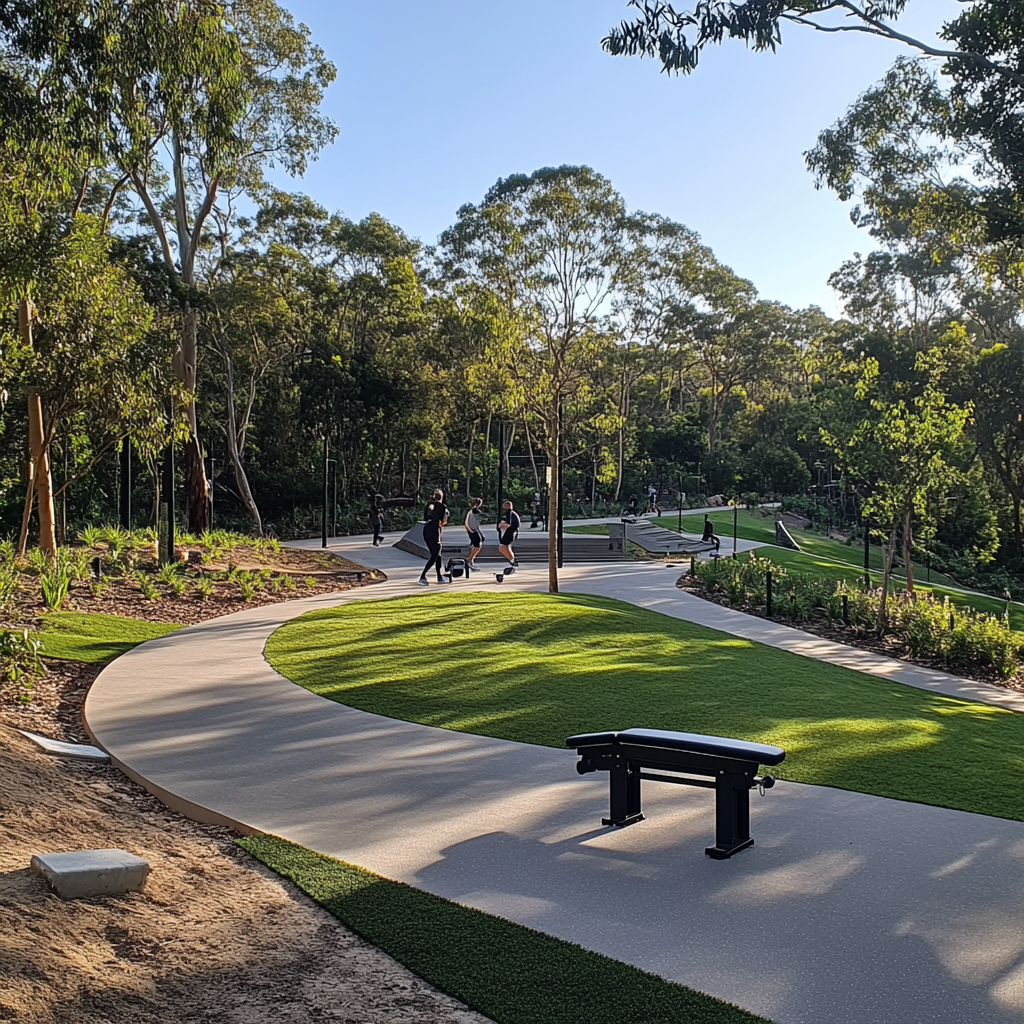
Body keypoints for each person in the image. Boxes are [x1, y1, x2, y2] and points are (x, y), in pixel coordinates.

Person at [418, 489, 450, 586]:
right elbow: (443, 521)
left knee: (438, 554)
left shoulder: (429, 505)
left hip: (426, 530)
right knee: (435, 555)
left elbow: (426, 517)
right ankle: (422, 576)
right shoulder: (443, 507)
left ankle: (439, 576)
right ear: (441, 497)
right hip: (434, 530)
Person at [498, 499, 520, 570]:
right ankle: (512, 561)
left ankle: (512, 561)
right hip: (513, 532)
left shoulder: (509, 513)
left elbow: (508, 524)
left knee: (502, 547)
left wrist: (501, 525)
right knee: (507, 547)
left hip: (510, 532)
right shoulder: (513, 513)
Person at [465, 497, 484, 570]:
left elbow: (477, 523)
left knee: (478, 545)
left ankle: (471, 560)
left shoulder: (475, 512)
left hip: (475, 530)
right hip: (472, 530)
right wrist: (470, 531)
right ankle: (470, 560)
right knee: (477, 546)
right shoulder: (471, 512)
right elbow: (466, 522)